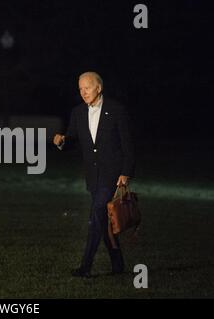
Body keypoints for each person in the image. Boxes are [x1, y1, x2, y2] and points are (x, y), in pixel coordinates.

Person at [53, 71, 136, 278]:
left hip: (112, 176)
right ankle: (117, 264)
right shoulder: (77, 112)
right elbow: (73, 140)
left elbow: (128, 145)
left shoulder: (117, 110)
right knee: (104, 221)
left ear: (98, 88)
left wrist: (126, 172)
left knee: (96, 216)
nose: (83, 92)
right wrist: (62, 141)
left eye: (87, 88)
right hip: (93, 177)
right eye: (80, 89)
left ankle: (85, 266)